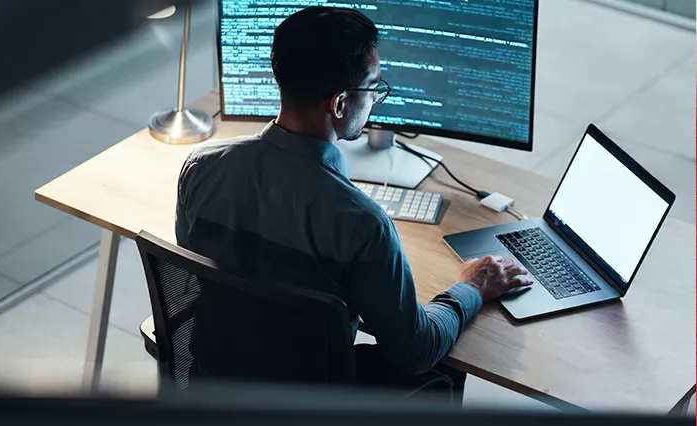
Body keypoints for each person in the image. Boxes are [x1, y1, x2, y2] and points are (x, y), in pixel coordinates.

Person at [175, 6, 533, 399]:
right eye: (373, 87)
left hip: (215, 390)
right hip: (311, 405)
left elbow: (201, 274)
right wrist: (471, 286)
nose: (376, 98)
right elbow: (416, 350)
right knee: (442, 363)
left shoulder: (200, 168)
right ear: (340, 104)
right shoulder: (362, 223)